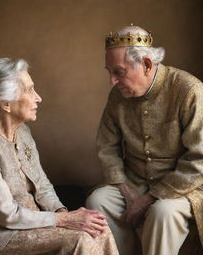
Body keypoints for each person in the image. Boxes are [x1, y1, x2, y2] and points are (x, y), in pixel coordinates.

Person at [0, 58, 119, 255]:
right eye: (30, 90)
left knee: (98, 230)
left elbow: (42, 185)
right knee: (80, 239)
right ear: (6, 103)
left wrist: (63, 213)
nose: (38, 97)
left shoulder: (23, 131)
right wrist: (64, 221)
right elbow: (6, 215)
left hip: (33, 220)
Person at [86, 24, 203, 255]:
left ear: (147, 65)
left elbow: (200, 160)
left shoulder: (189, 90)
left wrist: (150, 198)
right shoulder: (117, 96)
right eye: (109, 72)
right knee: (98, 202)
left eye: (118, 72)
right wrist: (127, 192)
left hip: (183, 187)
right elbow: (106, 146)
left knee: (163, 213)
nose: (111, 81)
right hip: (134, 181)